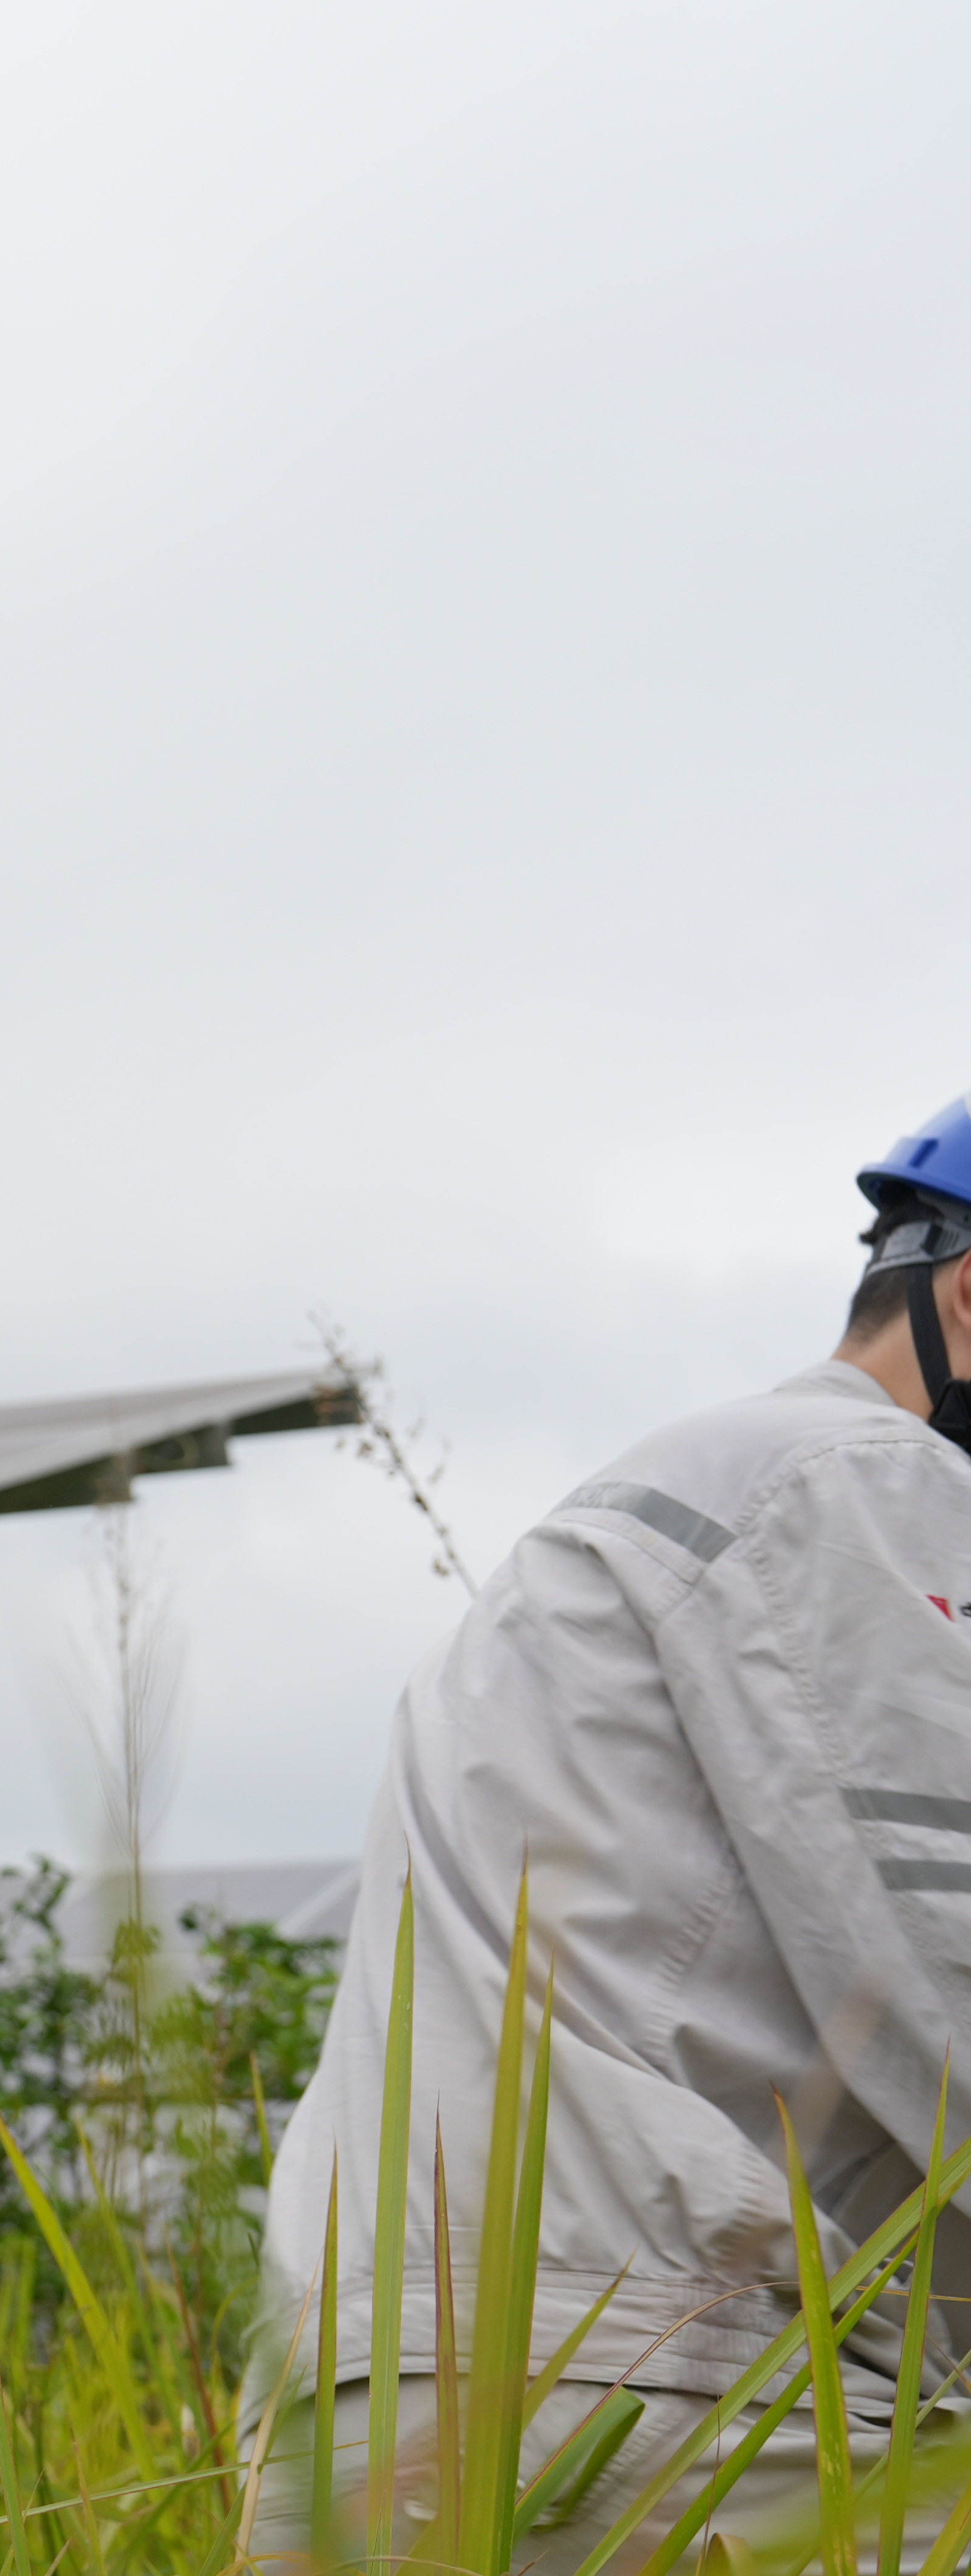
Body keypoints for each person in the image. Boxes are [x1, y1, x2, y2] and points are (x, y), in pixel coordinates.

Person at [255, 1097, 971, 2569]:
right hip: (672, 2396)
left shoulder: (653, 1520)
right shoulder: (872, 1484)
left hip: (400, 2408)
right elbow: (953, 1964)